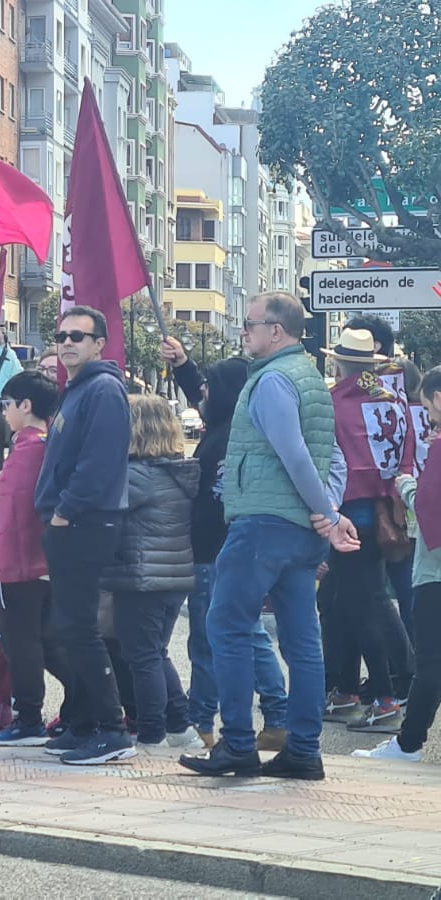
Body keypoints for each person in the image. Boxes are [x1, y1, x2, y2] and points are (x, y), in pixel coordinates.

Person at [180, 292, 353, 781]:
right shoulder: (312, 381)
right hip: (300, 531)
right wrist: (327, 512)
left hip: (262, 523)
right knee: (302, 640)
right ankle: (303, 749)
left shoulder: (272, 379)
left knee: (228, 626)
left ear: (276, 330)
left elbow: (294, 454)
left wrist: (325, 511)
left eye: (249, 324)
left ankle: (236, 744)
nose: (243, 333)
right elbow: (333, 458)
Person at [162, 338, 290, 751]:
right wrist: (183, 364)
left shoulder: (228, 437)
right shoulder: (233, 424)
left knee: (209, 639)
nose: (203, 393)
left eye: (210, 387)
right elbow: (200, 390)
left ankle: (203, 720)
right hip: (230, 549)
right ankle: (277, 716)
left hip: (215, 550)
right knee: (248, 633)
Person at [33, 307, 136, 766]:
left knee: (79, 628)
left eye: (78, 335)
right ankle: (84, 722)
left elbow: (100, 463)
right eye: (61, 335)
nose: (67, 342)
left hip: (86, 522)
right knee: (69, 628)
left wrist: (65, 513)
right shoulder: (76, 390)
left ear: (99, 343)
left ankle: (111, 729)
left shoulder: (103, 389)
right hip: (71, 521)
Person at [319, 328, 411, 732]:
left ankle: (383, 697)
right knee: (352, 599)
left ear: (339, 362)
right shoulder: (395, 400)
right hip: (388, 507)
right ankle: (348, 691)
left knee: (361, 604)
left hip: (349, 511)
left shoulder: (334, 403)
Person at [101, 395, 200, 748]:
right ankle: (180, 726)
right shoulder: (177, 471)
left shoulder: (135, 476)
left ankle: (152, 732)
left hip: (141, 575)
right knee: (155, 652)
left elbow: (103, 511)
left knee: (140, 657)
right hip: (173, 576)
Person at [355, 365, 441, 762]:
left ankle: (408, 744)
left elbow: (430, 511)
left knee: (430, 663)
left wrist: (407, 485)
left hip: (435, 573)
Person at [0, 371, 70, 746]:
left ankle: (28, 716)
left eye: (7, 404)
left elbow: (10, 515)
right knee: (47, 641)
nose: (5, 411)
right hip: (43, 561)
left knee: (21, 642)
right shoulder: (48, 444)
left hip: (16, 563)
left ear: (26, 406)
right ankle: (83, 700)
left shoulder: (27, 448)